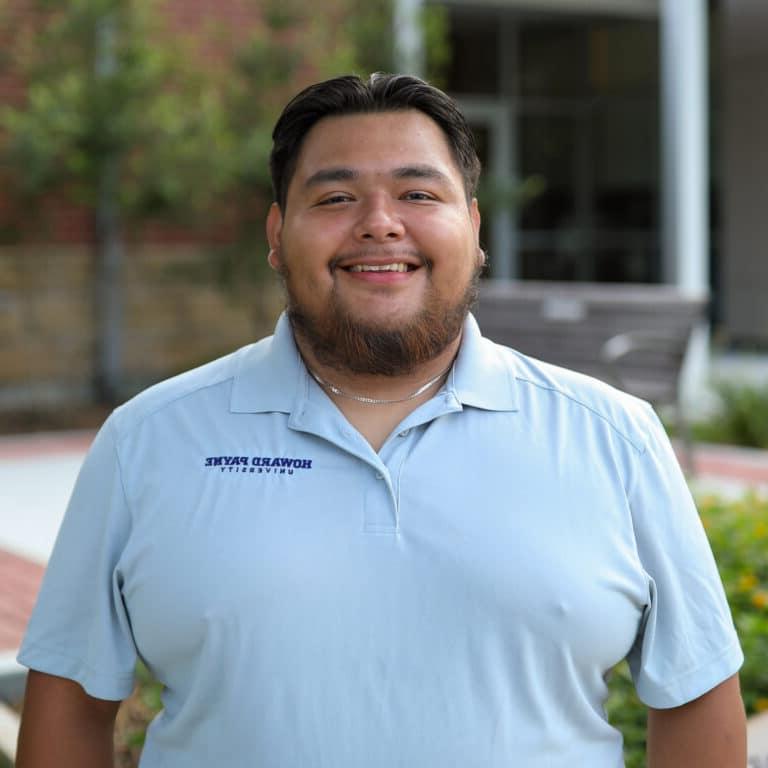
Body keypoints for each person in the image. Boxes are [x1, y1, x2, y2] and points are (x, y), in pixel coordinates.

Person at [16, 73, 745, 767]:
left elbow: (695, 696)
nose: (379, 224)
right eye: (335, 198)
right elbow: (71, 706)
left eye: (418, 191)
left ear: (474, 226)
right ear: (276, 233)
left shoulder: (614, 438)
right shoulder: (149, 441)